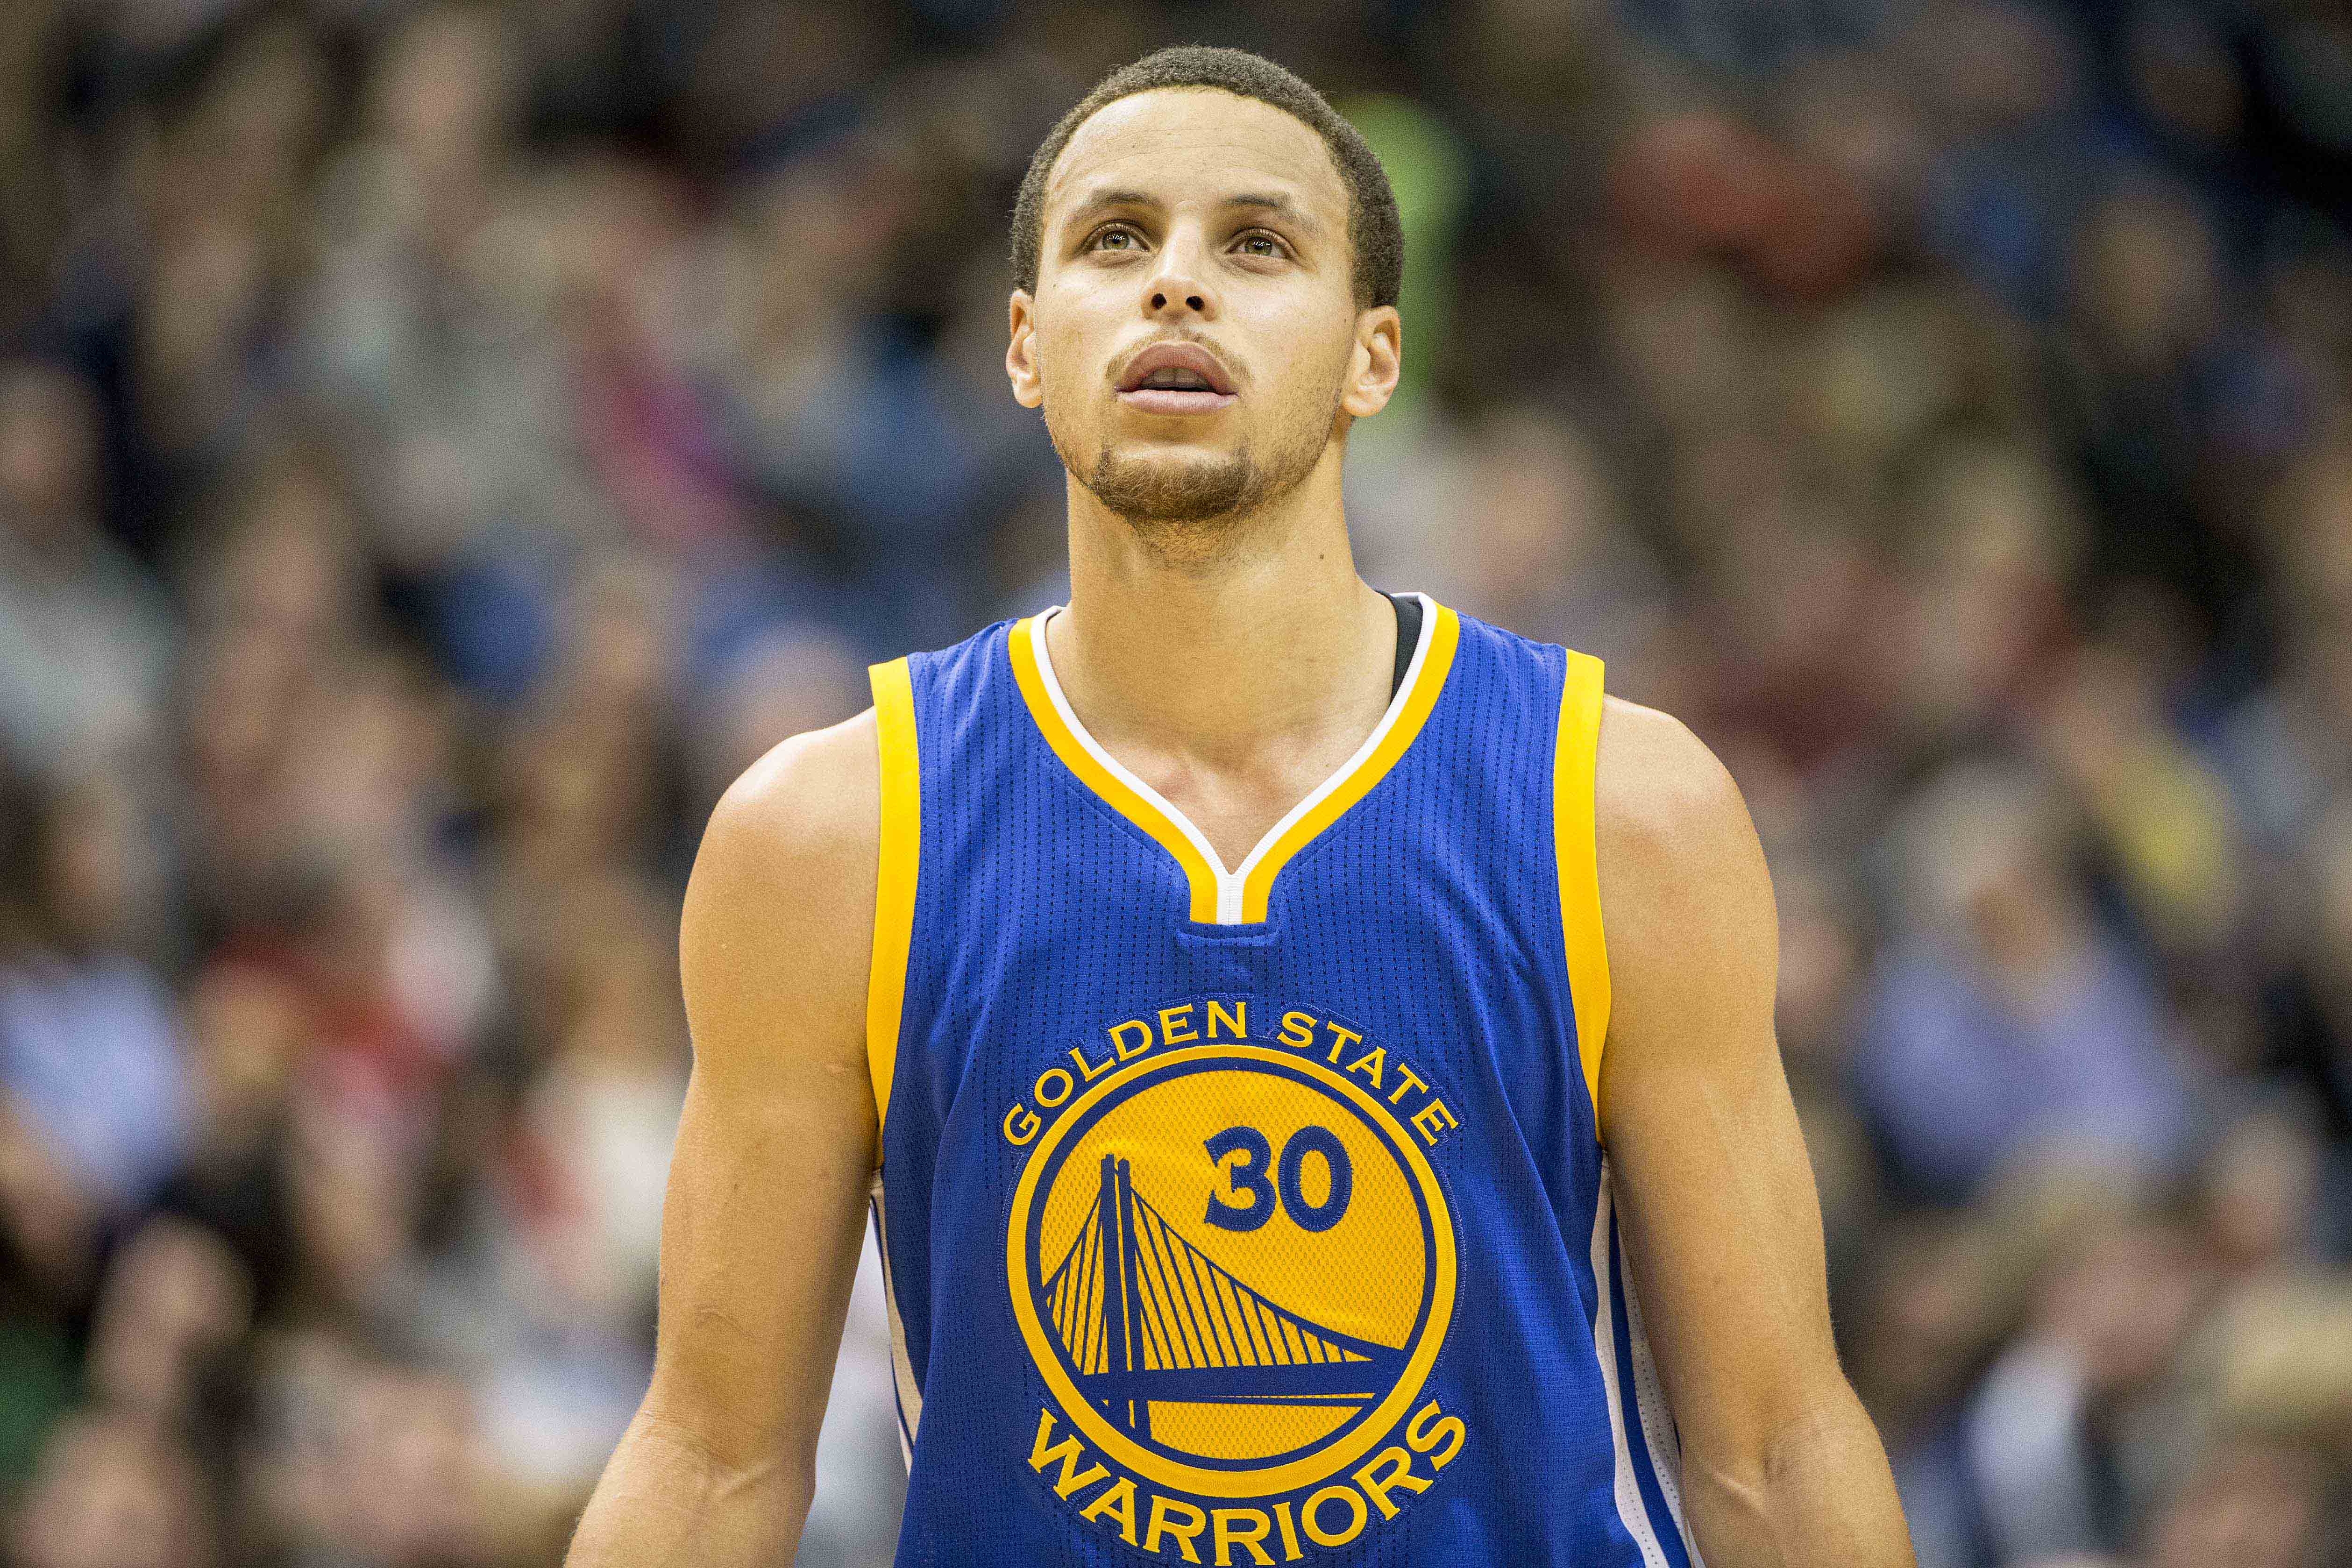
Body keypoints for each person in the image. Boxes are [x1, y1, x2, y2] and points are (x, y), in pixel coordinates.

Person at [567, 45, 1915, 1568]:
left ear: (1373, 359)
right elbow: (711, 1459)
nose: (1176, 288)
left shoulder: (1616, 804)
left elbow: (1774, 1447)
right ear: (1023, 345)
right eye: (1113, 241)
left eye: (1257, 246)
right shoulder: (828, 833)